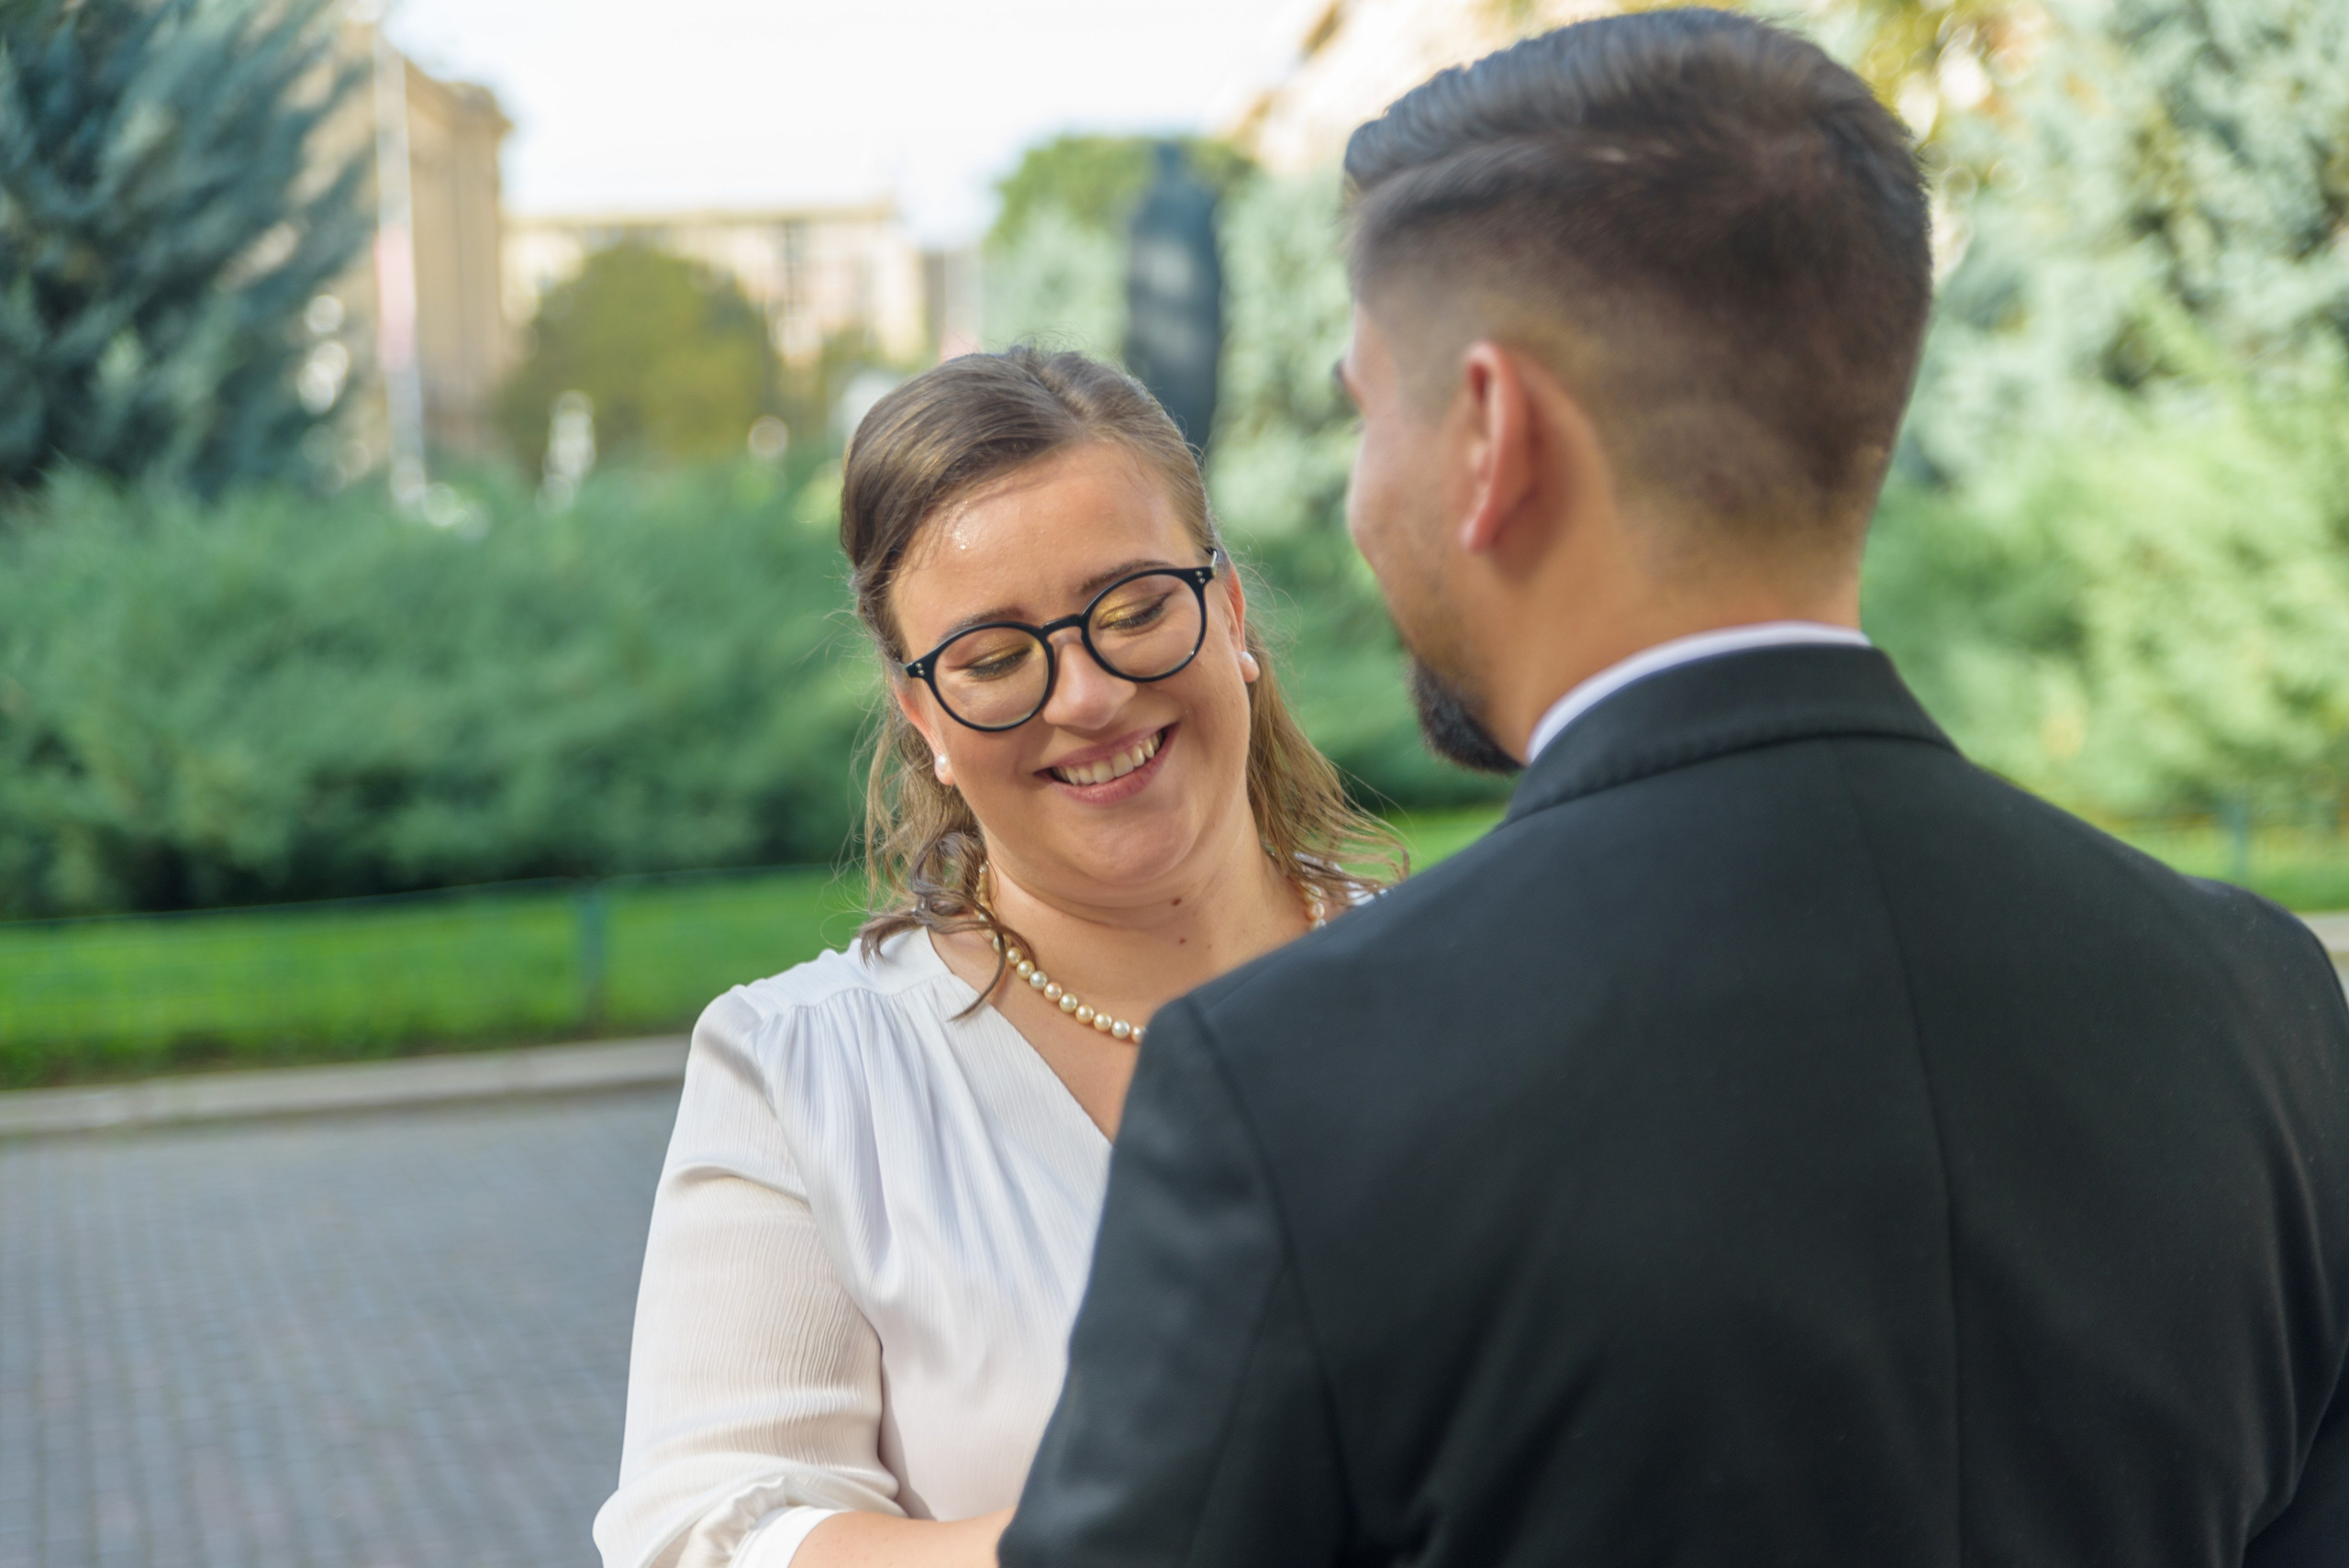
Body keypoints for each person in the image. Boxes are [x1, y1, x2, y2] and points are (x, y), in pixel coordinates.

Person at [1002, 11, 2349, 1567]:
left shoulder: (1294, 1083)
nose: (1364, 495)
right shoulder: (2265, 1009)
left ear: (1493, 433)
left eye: (1371, 407)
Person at [591, 348, 1399, 1568]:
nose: (1085, 693)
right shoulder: (810, 1075)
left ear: (1227, 610)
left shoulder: (1460, 984)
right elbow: (708, 1533)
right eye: (994, 658)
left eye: (1133, 608)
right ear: (924, 716)